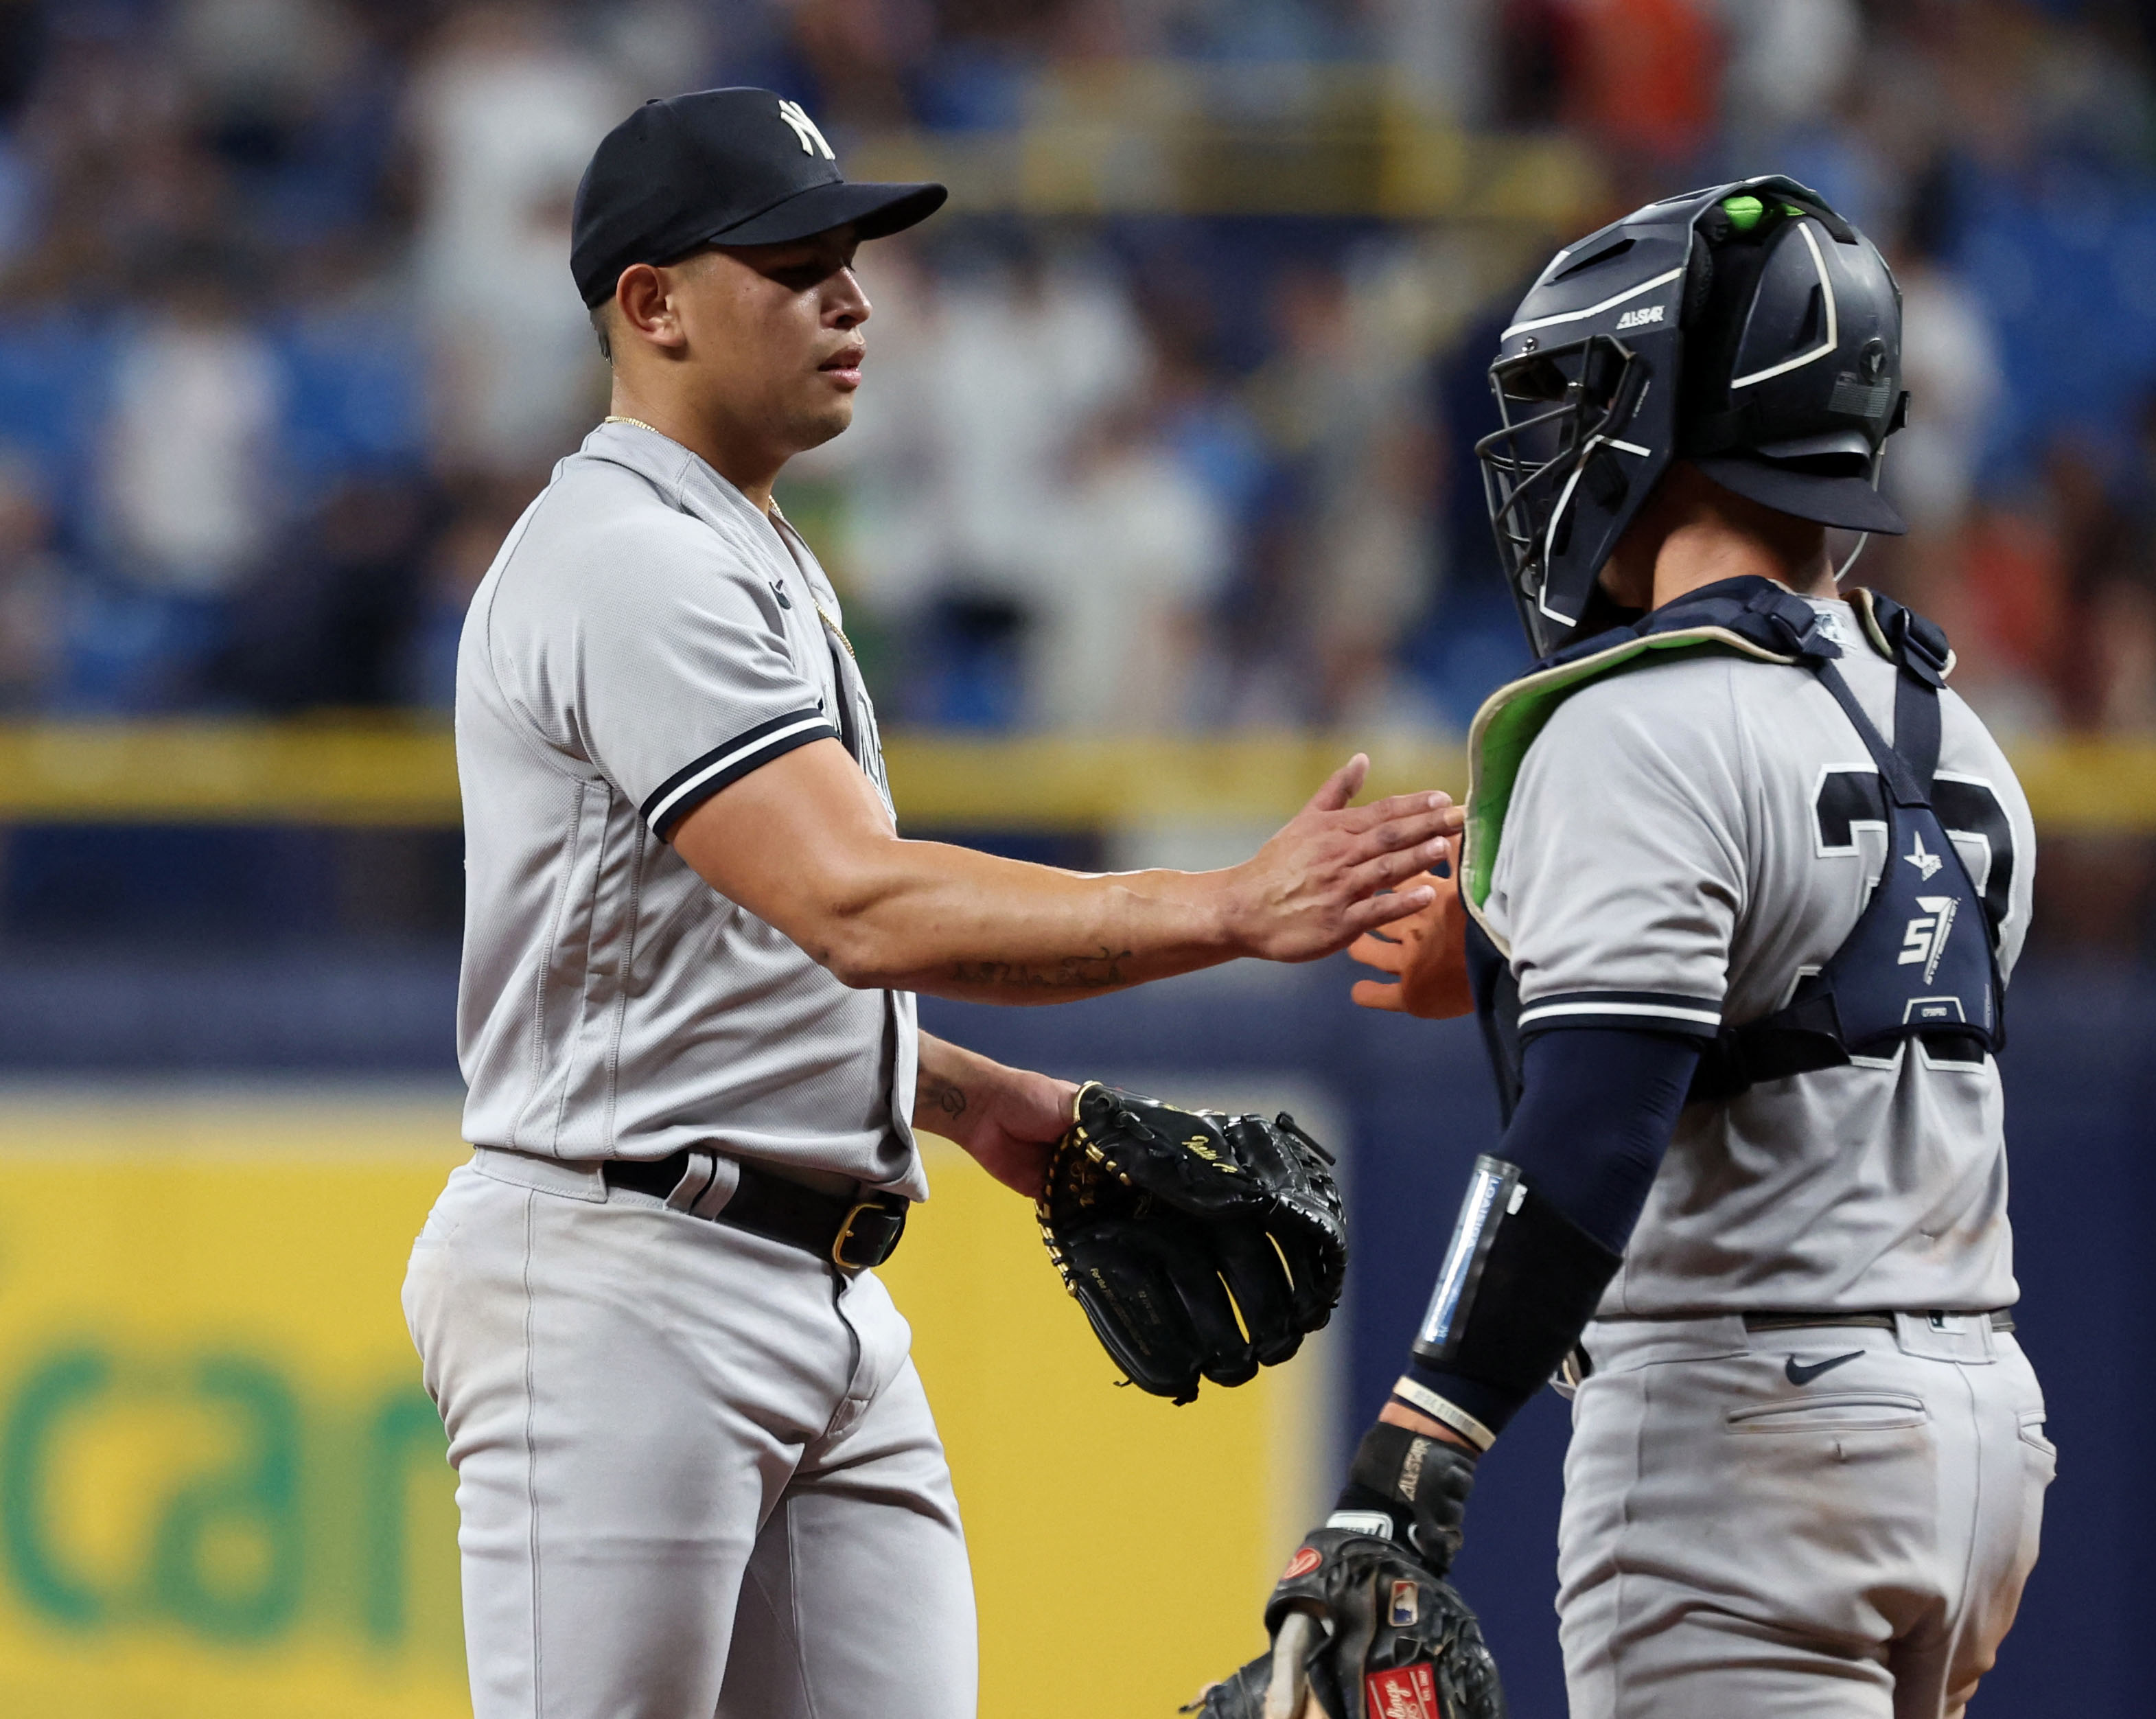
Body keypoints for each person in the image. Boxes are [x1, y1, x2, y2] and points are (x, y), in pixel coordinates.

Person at [400, 87, 1463, 1719]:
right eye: (794, 260)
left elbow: (731, 960)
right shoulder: (626, 557)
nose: (851, 297)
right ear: (653, 304)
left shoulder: (748, 547)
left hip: (809, 1276)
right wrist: (1230, 907)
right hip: (619, 1278)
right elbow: (855, 904)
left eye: (851, 255)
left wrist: (970, 1095)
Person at [1221, 178, 2048, 1718]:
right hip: (1980, 1435)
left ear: (1660, 413)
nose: (1545, 444)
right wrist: (1496, 946)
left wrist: (1407, 1460)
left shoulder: (1635, 724)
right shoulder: (1959, 732)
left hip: (1748, 1438)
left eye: (1572, 395)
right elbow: (1797, 1009)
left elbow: (1593, 1128)